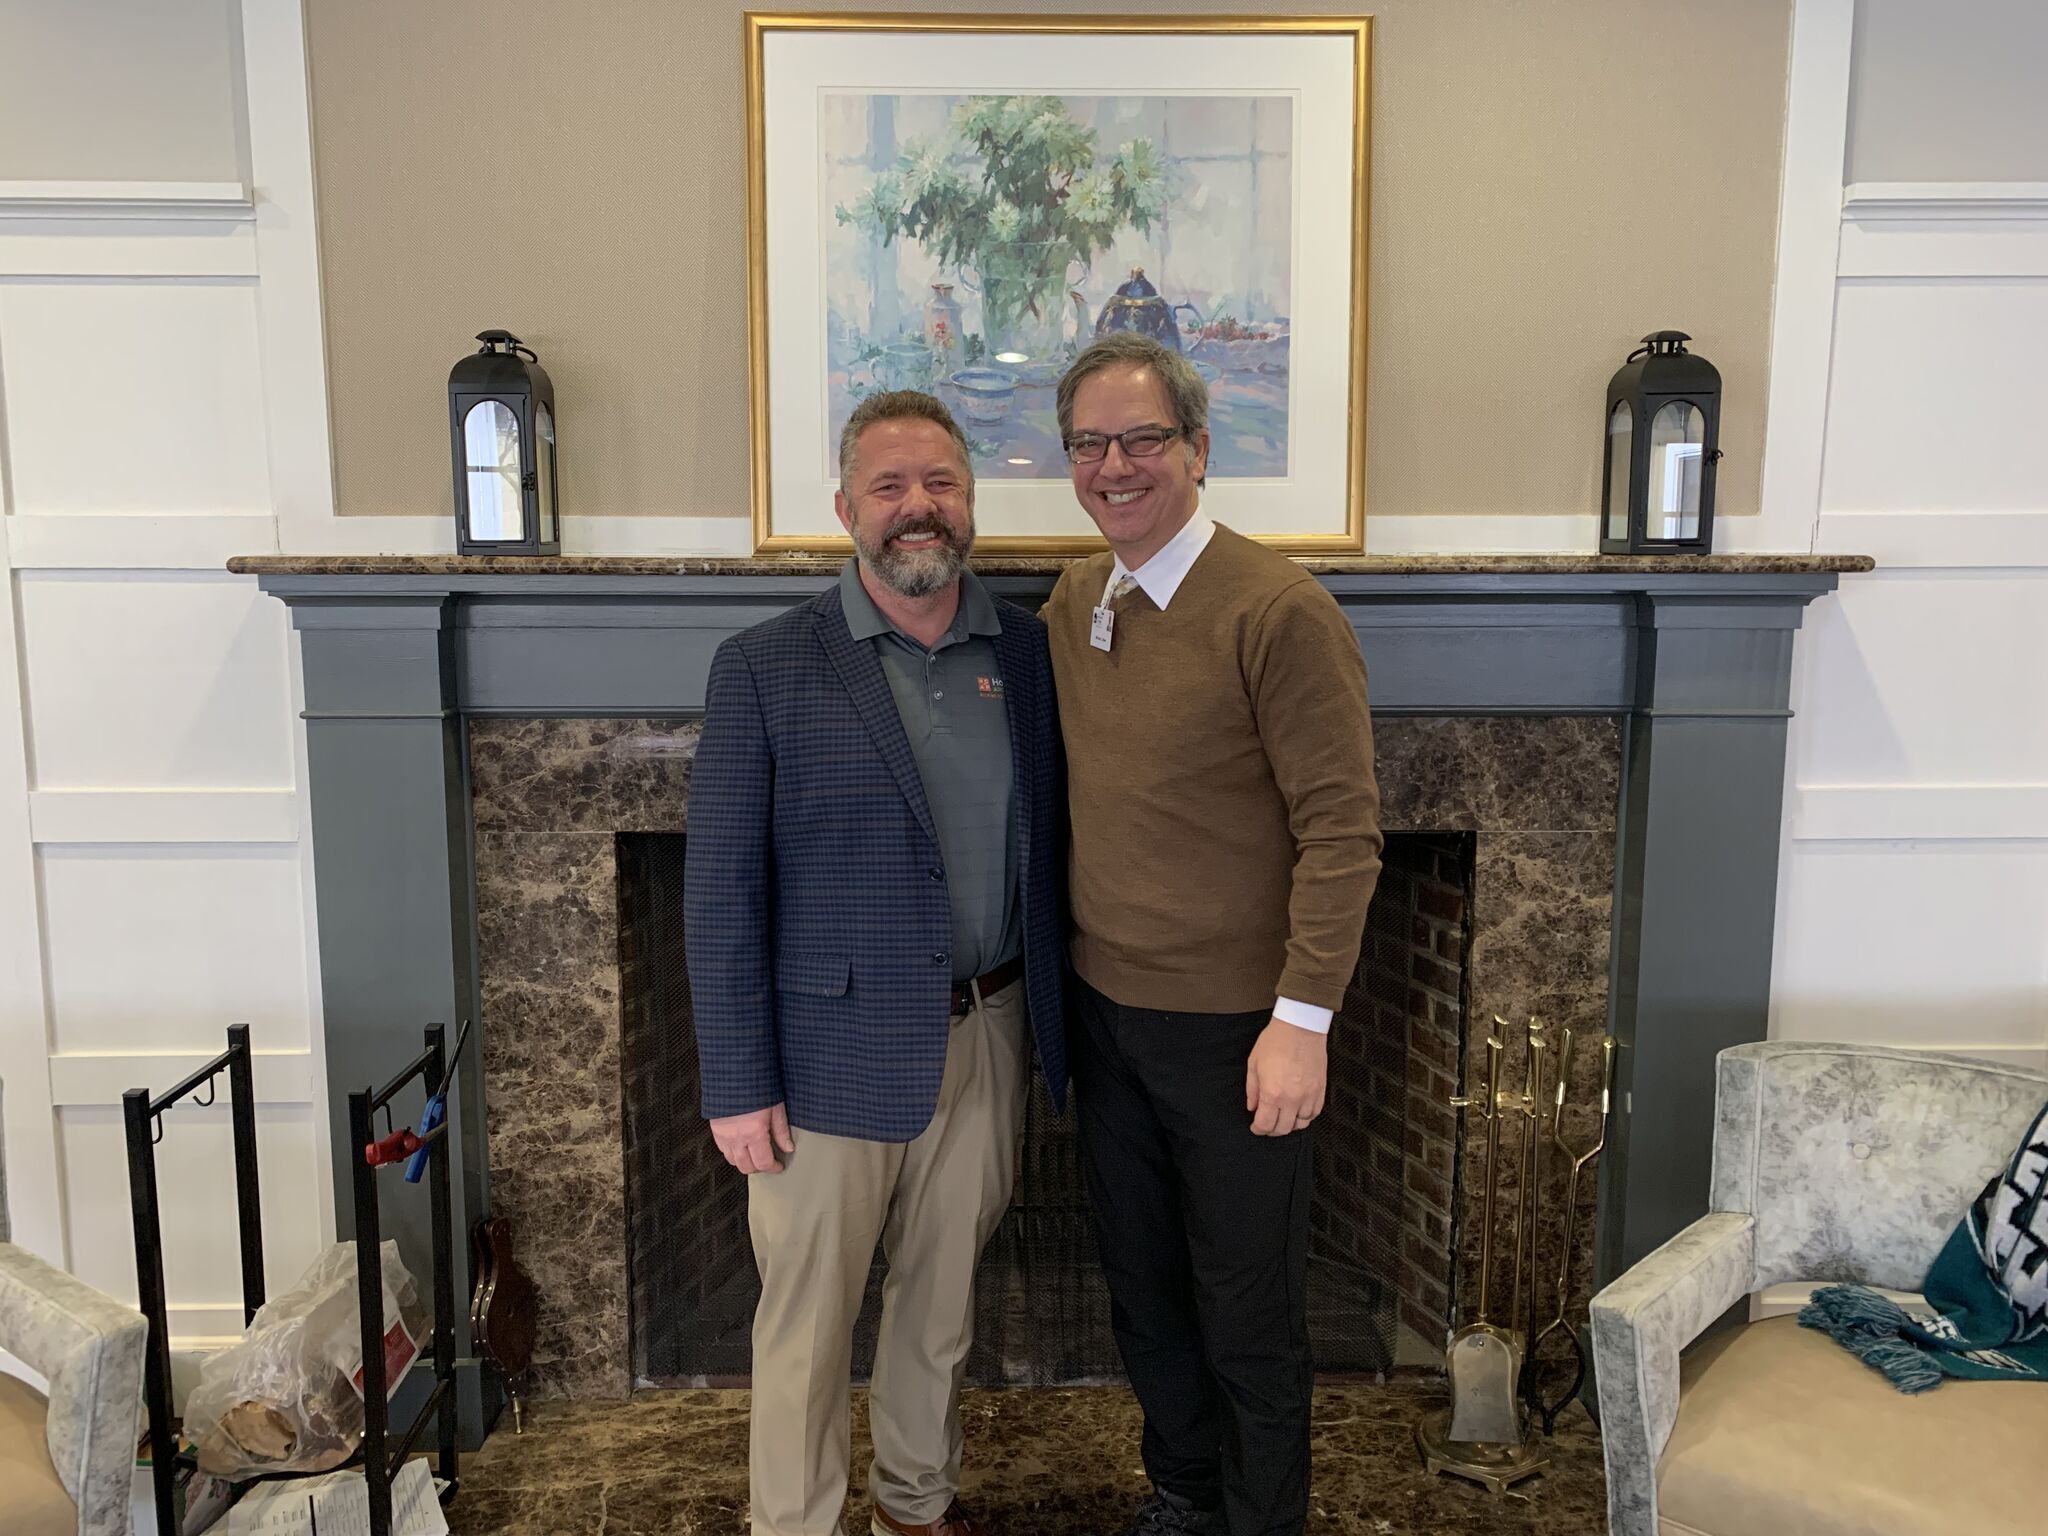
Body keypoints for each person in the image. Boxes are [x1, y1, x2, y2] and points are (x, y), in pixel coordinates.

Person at [684, 391, 1067, 1536]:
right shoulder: (763, 666)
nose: (917, 508)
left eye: (939, 484)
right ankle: (794, 1523)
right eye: (890, 486)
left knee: (939, 1309)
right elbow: (720, 893)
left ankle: (915, 1504)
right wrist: (738, 1083)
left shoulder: (1032, 656)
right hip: (822, 1059)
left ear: (968, 504)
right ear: (844, 506)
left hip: (989, 1033)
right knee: (805, 1328)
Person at [1042, 334, 1383, 1536]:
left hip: (1239, 1034)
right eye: (1090, 442)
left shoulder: (1279, 612)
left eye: (1142, 439)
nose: (1114, 464)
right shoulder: (1077, 600)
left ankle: (1259, 1521)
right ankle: (1184, 1493)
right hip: (1104, 1017)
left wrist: (1301, 1023)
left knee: (1245, 1309)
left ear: (1197, 448)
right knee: (1145, 1292)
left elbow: (1343, 834)